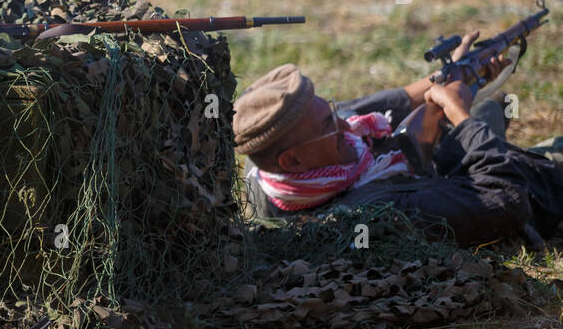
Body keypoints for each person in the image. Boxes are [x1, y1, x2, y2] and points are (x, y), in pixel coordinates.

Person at [234, 35, 563, 246]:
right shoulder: (376, 214)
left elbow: (398, 100)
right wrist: (460, 114)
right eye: (328, 124)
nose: (346, 124)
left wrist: (457, 74)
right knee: (493, 120)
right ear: (292, 161)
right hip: (530, 190)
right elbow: (507, 196)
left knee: (494, 104)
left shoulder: (269, 167)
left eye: (331, 110)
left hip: (441, 163)